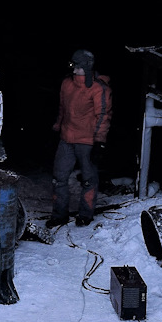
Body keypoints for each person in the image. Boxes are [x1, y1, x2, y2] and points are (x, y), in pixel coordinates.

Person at [48, 49, 112, 227]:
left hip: (87, 141)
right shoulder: (67, 84)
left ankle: (85, 214)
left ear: (88, 67)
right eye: (73, 66)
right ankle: (59, 215)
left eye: (79, 67)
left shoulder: (99, 88)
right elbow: (63, 108)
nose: (75, 71)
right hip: (66, 138)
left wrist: (100, 142)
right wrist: (57, 127)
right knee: (59, 177)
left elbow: (103, 116)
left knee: (89, 179)